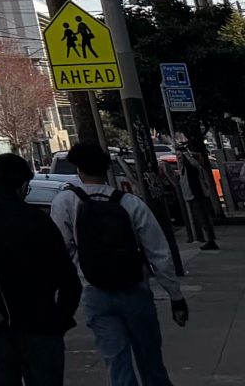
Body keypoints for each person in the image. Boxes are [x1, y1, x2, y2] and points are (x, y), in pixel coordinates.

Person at [52, 140, 187, 386]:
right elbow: (158, 252)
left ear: (79, 170)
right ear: (106, 170)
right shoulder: (129, 203)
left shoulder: (65, 202)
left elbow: (60, 249)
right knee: (151, 361)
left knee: (117, 362)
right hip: (135, 288)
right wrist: (175, 296)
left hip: (95, 291)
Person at [0, 152, 81, 386]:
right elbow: (68, 279)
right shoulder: (36, 220)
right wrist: (61, 319)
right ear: (23, 184)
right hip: (39, 320)